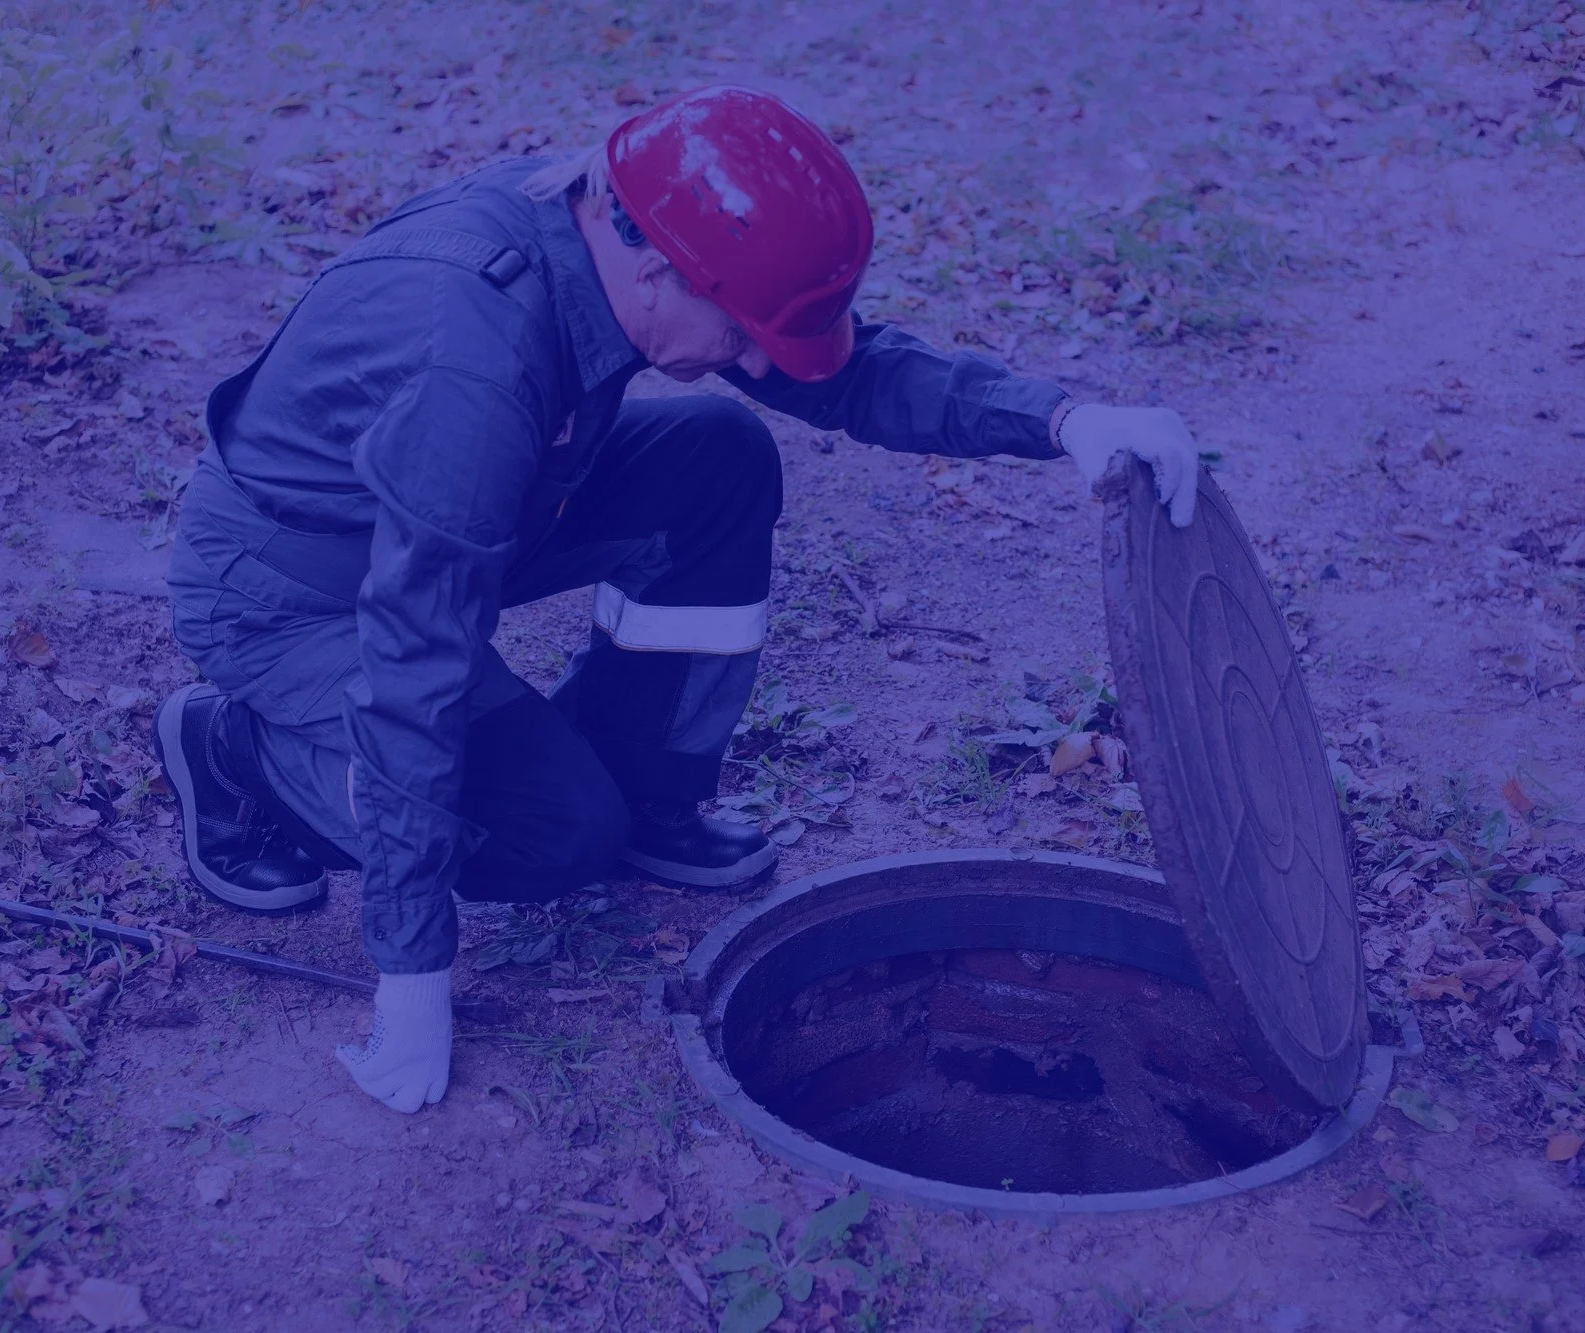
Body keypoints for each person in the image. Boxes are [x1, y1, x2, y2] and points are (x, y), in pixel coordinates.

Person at [154, 86, 1202, 1114]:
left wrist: (1062, 421)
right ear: (654, 268)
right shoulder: (473, 363)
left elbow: (840, 377)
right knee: (552, 834)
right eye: (740, 337)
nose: (751, 361)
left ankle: (643, 790)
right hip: (298, 591)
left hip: (476, 511)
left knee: (716, 457)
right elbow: (416, 655)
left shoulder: (627, 236)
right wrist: (412, 969)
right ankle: (233, 755)